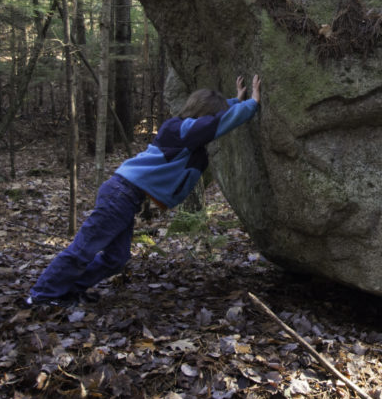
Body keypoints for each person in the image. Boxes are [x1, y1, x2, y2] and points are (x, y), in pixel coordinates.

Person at [26, 74, 262, 308]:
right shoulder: (180, 129)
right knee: (83, 250)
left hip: (126, 196)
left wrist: (235, 102)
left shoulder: (185, 131)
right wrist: (251, 102)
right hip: (120, 193)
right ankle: (42, 295)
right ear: (203, 113)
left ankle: (69, 290)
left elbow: (213, 121)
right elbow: (215, 124)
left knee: (116, 259)